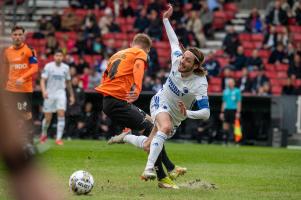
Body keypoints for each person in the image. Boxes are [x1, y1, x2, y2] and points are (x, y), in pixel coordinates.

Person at [95, 33, 185, 189]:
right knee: (152, 131)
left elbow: (105, 78)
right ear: (148, 49)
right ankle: (163, 178)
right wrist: (137, 87)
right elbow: (138, 67)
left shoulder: (117, 55)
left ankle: (170, 168)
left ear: (131, 43)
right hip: (117, 102)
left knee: (153, 123)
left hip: (111, 101)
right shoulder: (140, 53)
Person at [138, 4, 210, 181]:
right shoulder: (177, 58)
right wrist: (165, 19)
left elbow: (206, 113)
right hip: (159, 101)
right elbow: (173, 40)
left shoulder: (199, 84)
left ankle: (124, 138)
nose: (182, 61)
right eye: (183, 57)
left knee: (149, 144)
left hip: (177, 116)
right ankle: (148, 170)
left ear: (195, 66)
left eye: (187, 61)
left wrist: (189, 113)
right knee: (165, 127)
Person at [1, 25, 39, 152]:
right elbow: (5, 70)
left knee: (26, 115)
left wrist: (23, 77)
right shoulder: (7, 51)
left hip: (24, 90)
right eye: (15, 35)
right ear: (11, 36)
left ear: (23, 36)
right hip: (9, 89)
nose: (17, 37)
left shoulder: (30, 50)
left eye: (19, 34)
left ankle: (29, 142)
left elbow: (34, 68)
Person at [39, 49, 75, 145]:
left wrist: (71, 95)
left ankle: (58, 139)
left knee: (61, 114)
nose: (58, 57)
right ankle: (43, 134)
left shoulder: (66, 68)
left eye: (60, 56)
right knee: (48, 119)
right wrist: (44, 91)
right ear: (54, 57)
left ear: (63, 57)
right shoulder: (48, 66)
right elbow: (42, 80)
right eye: (57, 56)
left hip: (61, 94)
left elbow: (68, 82)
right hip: (49, 94)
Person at [220, 78, 242, 145]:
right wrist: (222, 112)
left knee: (235, 125)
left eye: (231, 82)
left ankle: (237, 141)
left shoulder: (237, 91)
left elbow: (239, 102)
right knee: (225, 125)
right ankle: (225, 141)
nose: (230, 83)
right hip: (227, 110)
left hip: (234, 110)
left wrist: (238, 112)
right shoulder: (225, 91)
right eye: (229, 82)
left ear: (234, 83)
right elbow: (224, 102)